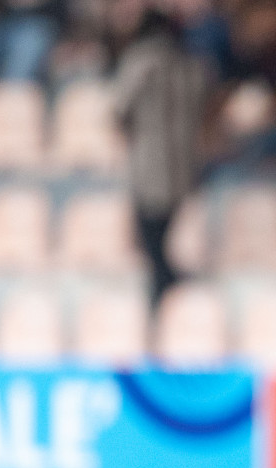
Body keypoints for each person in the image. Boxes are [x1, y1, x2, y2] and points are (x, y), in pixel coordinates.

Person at [108, 9, 207, 307]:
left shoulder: (139, 60)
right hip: (183, 160)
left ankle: (163, 294)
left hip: (151, 159)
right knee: (161, 236)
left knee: (150, 235)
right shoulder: (189, 61)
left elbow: (119, 111)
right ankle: (166, 291)